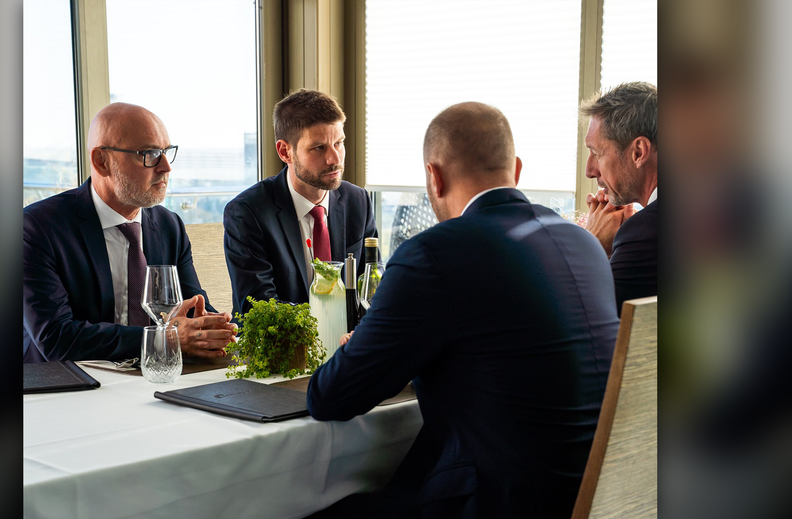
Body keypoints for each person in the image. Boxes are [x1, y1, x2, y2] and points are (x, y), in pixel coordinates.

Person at [306, 102, 620, 518]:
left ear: (434, 178)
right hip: (598, 498)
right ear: (517, 169)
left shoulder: (434, 253)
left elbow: (329, 397)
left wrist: (369, 346)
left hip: (494, 503)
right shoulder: (582, 243)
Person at [23, 102, 236, 362]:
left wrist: (212, 327)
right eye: (149, 153)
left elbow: (190, 310)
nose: (166, 167)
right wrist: (164, 338)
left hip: (153, 380)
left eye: (167, 152)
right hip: (69, 388)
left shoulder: (170, 226)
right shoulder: (37, 227)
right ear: (102, 162)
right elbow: (56, 338)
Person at [223, 89, 377, 316]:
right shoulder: (247, 213)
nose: (334, 159)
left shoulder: (358, 202)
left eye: (339, 143)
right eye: (319, 148)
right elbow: (259, 309)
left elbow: (371, 291)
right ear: (285, 152)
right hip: (282, 348)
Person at [580, 81, 657, 313]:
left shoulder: (645, 232)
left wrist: (590, 244)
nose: (590, 170)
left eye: (596, 153)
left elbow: (582, 317)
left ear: (638, 152)